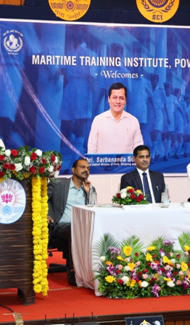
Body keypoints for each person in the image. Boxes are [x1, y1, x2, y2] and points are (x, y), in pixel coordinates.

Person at [47, 158, 93, 286]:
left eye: (88, 168)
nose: (86, 170)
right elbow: (41, 199)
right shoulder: (58, 184)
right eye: (83, 167)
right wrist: (46, 215)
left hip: (82, 227)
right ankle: (73, 271)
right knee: (75, 229)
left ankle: (93, 271)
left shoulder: (90, 188)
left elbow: (93, 210)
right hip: (60, 226)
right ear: (73, 170)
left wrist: (89, 194)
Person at [87, 83, 143, 154]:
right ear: (108, 99)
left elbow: (139, 149)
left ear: (125, 100)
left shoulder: (133, 121)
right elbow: (92, 148)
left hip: (126, 165)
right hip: (103, 165)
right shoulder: (98, 120)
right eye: (114, 97)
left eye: (121, 98)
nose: (118, 101)